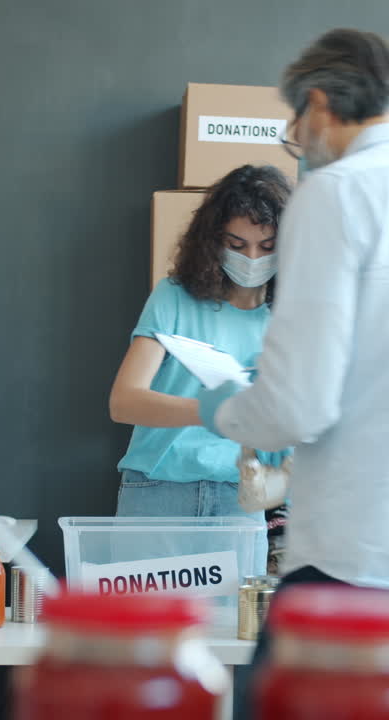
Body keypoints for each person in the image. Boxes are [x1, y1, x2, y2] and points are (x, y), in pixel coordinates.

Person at [195, 30, 389, 707]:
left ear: (319, 104)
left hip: (356, 556)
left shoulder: (335, 195)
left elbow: (297, 406)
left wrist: (224, 403)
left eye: (294, 122)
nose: (296, 137)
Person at [109, 164, 292, 569]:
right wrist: (208, 412)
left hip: (238, 501)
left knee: (231, 631)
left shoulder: (293, 318)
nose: (251, 258)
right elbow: (124, 402)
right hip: (158, 492)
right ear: (213, 241)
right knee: (144, 631)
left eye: (267, 247)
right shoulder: (174, 297)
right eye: (237, 244)